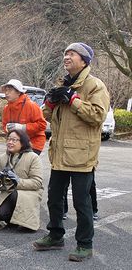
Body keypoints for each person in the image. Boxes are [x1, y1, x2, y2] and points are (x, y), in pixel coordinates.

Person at [33, 42, 110, 262]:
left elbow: (97, 116)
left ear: (84, 60)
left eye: (72, 54)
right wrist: (50, 102)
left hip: (82, 155)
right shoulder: (63, 83)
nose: (66, 57)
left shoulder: (95, 85)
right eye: (65, 53)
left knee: (81, 202)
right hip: (59, 153)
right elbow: (46, 115)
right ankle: (55, 235)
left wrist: (73, 99)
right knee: (54, 198)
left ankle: (85, 244)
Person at [0, 129, 43, 232]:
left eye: (14, 140)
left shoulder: (33, 157)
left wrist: (18, 181)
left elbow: (37, 183)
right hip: (9, 193)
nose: (10, 142)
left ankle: (27, 222)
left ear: (23, 142)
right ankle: (14, 219)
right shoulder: (3, 158)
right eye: (9, 139)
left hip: (30, 193)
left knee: (15, 195)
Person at [1, 79, 47, 155]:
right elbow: (4, 125)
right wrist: (7, 129)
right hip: (16, 143)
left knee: (24, 164)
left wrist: (23, 127)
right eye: (6, 90)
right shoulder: (7, 108)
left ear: (18, 92)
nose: (6, 93)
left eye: (10, 90)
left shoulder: (31, 106)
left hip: (33, 143)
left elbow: (42, 125)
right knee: (10, 164)